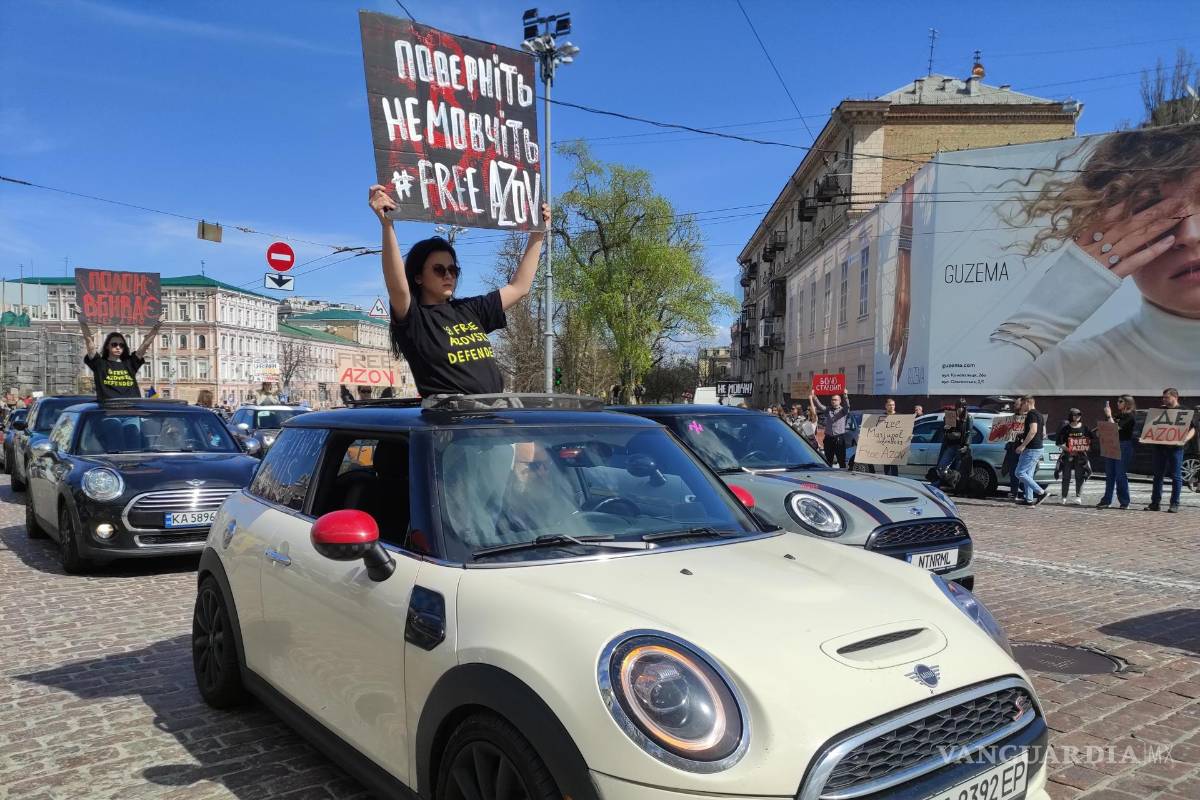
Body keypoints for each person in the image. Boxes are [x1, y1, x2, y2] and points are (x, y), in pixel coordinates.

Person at [986, 125, 1200, 393]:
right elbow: (978, 420)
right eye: (1151, 211)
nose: (1189, 236)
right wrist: (1039, 323)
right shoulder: (1059, 373)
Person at [370, 183, 549, 398]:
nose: (448, 275)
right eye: (439, 269)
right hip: (450, 421)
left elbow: (519, 287)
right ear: (418, 277)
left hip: (492, 414)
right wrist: (387, 225)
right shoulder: (415, 318)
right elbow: (396, 285)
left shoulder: (469, 309)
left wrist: (539, 232)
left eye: (453, 270)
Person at [80, 315, 161, 402]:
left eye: (121, 345)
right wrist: (82, 321)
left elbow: (145, 344)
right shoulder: (100, 364)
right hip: (110, 410)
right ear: (107, 346)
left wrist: (157, 327)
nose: (118, 347)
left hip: (132, 409)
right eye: (114, 344)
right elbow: (89, 342)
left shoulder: (130, 363)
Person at [1147, 388, 1195, 513]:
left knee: (1176, 476)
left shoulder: (1184, 411)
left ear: (1175, 397)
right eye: (1163, 397)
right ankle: (1155, 503)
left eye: (1166, 397)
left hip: (1176, 448)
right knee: (1158, 476)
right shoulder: (1160, 411)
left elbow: (1193, 429)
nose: (1164, 399)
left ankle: (1174, 504)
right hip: (1159, 447)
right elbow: (1152, 428)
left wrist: (1185, 440)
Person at [1098, 395, 1136, 509]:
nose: (1118, 403)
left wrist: (1109, 415)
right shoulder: (1117, 415)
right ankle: (1107, 499)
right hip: (1111, 444)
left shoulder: (1130, 416)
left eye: (1121, 401)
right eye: (1118, 401)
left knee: (1120, 474)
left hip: (1123, 445)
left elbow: (1115, 428)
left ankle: (1124, 501)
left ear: (1128, 403)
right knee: (1110, 474)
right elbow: (1107, 427)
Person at [1054, 408, 1094, 505]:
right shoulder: (1066, 428)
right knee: (1066, 476)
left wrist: (1085, 446)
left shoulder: (1085, 427)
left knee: (1079, 476)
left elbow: (1091, 439)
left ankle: (1078, 497)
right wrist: (1068, 449)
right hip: (1068, 455)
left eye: (1079, 415)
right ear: (1071, 416)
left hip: (1080, 455)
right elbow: (1058, 442)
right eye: (1075, 415)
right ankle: (1064, 497)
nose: (1077, 416)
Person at [1013, 395, 1048, 506]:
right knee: (1028, 474)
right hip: (1038, 447)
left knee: (1019, 472)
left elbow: (1033, 431)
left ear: (1027, 403)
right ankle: (1029, 499)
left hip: (1032, 449)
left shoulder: (1031, 414)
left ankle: (1041, 492)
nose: (1021, 407)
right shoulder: (1039, 415)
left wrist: (1023, 445)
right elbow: (1042, 433)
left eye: (1022, 404)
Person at [936, 399, 971, 488]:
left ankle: (958, 488)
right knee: (941, 467)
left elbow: (969, 432)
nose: (959, 409)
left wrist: (966, 445)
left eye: (961, 407)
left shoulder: (968, 418)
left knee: (960, 469)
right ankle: (949, 482)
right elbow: (944, 430)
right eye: (958, 407)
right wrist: (945, 426)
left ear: (964, 408)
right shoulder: (951, 416)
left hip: (961, 446)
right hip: (951, 445)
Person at [811, 390, 850, 468]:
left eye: (835, 400)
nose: (833, 401)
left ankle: (843, 476)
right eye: (832, 400)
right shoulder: (828, 409)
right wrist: (814, 396)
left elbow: (847, 406)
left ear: (839, 401)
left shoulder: (843, 410)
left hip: (839, 438)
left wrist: (845, 396)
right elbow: (820, 406)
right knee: (828, 460)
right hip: (828, 438)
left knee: (841, 460)